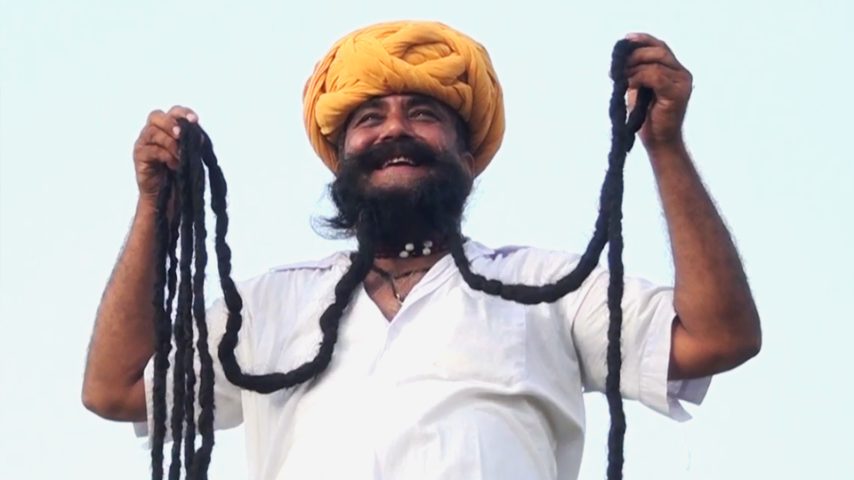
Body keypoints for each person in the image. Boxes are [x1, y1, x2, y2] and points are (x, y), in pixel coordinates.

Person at [82, 20, 761, 480]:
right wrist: (154, 211)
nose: (394, 130)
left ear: (467, 156)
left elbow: (718, 337)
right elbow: (116, 389)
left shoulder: (547, 287)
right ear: (341, 158)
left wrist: (664, 145)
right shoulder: (267, 306)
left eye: (424, 114)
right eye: (368, 118)